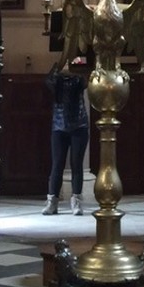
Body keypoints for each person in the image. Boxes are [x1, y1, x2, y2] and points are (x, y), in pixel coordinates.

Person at [42, 57, 90, 215]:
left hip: (79, 125)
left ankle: (76, 202)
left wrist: (78, 70)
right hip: (59, 126)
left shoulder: (79, 75)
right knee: (57, 165)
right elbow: (48, 82)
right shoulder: (57, 77)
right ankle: (52, 202)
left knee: (77, 164)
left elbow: (85, 82)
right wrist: (59, 68)